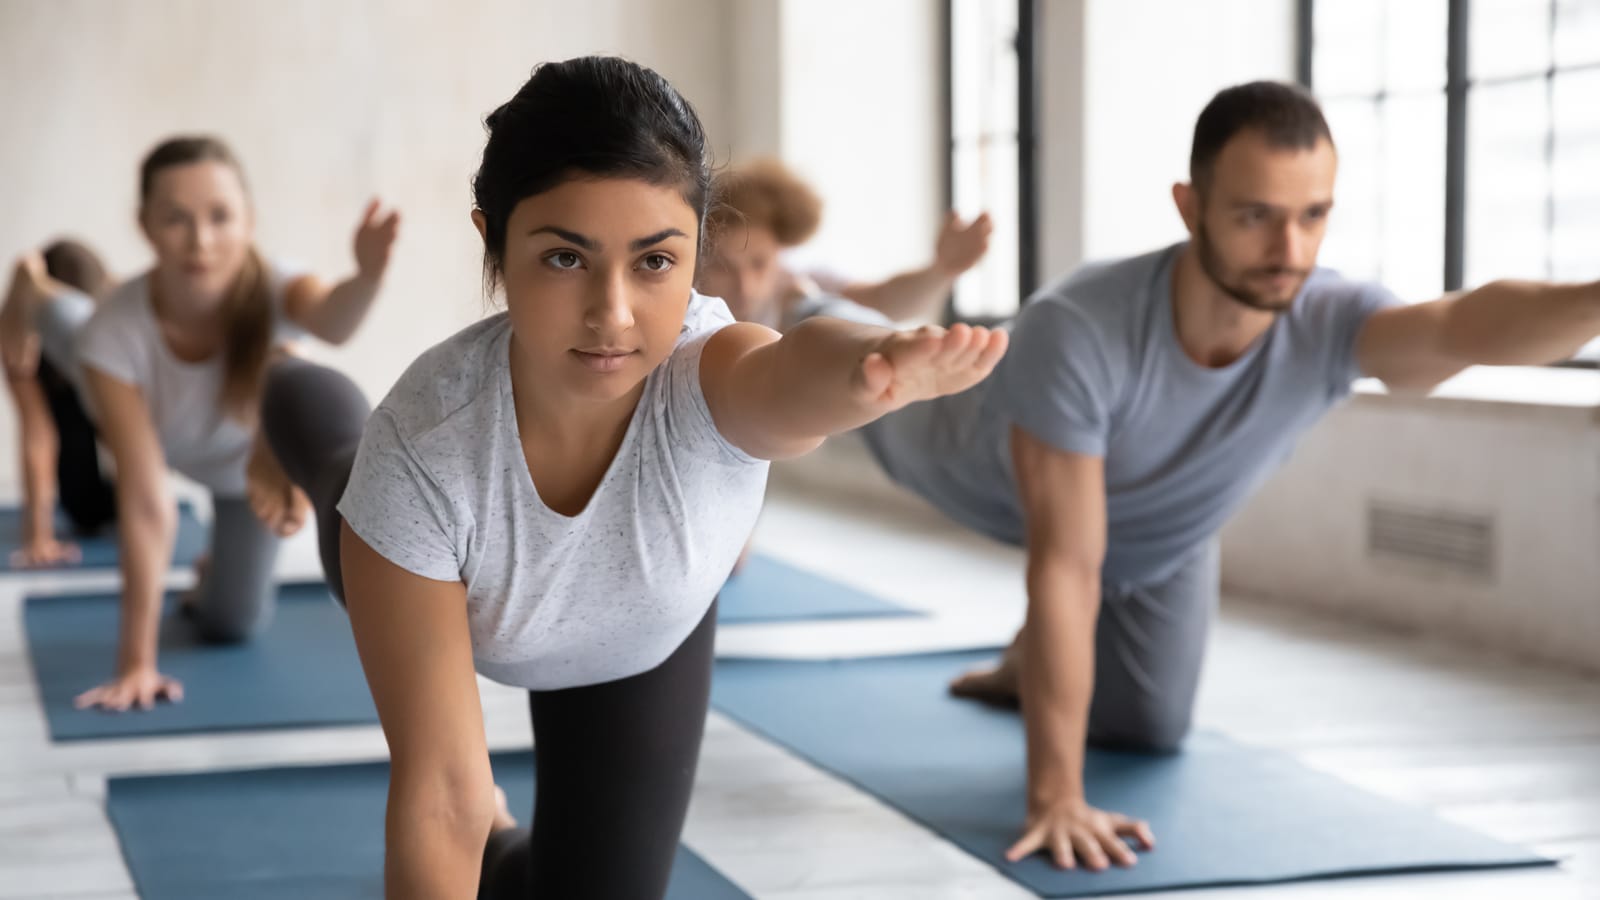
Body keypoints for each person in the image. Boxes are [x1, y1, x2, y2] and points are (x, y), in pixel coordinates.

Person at [252, 55, 1007, 899]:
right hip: (424, 554)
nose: (613, 315)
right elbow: (442, 801)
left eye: (654, 261)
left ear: (695, 253)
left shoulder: (707, 372)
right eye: (566, 259)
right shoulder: (423, 450)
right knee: (335, 467)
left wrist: (875, 363)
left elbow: (794, 371)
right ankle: (278, 380)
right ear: (493, 240)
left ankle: (517, 848)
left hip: (639, 634)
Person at [844, 80, 1600, 872]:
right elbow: (1067, 568)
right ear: (1189, 205)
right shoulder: (1079, 327)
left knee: (1151, 728)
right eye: (1255, 216)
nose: (1290, 251)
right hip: (958, 449)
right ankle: (798, 295)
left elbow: (1465, 326)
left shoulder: (1332, 318)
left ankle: (1020, 665)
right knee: (845, 360)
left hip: (1157, 547)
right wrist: (1056, 795)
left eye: (1314, 215)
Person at [61, 135, 400, 712]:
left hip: (248, 472)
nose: (201, 240)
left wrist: (366, 277)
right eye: (176, 219)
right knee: (68, 330)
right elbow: (145, 500)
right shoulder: (113, 332)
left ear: (249, 220)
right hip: (162, 434)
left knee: (232, 625)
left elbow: (332, 321)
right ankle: (36, 293)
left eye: (220, 217)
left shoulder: (275, 285)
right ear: (143, 225)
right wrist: (136, 663)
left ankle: (211, 570)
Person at [698, 156, 992, 328]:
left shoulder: (797, 283)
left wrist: (941, 271)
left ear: (780, 249)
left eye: (759, 263)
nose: (745, 285)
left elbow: (881, 301)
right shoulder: (686, 305)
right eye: (722, 267)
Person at [1, 240, 117, 567]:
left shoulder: (104, 320)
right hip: (83, 488)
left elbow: (122, 433)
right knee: (87, 510)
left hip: (119, 440)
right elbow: (38, 435)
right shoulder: (18, 337)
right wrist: (38, 537)